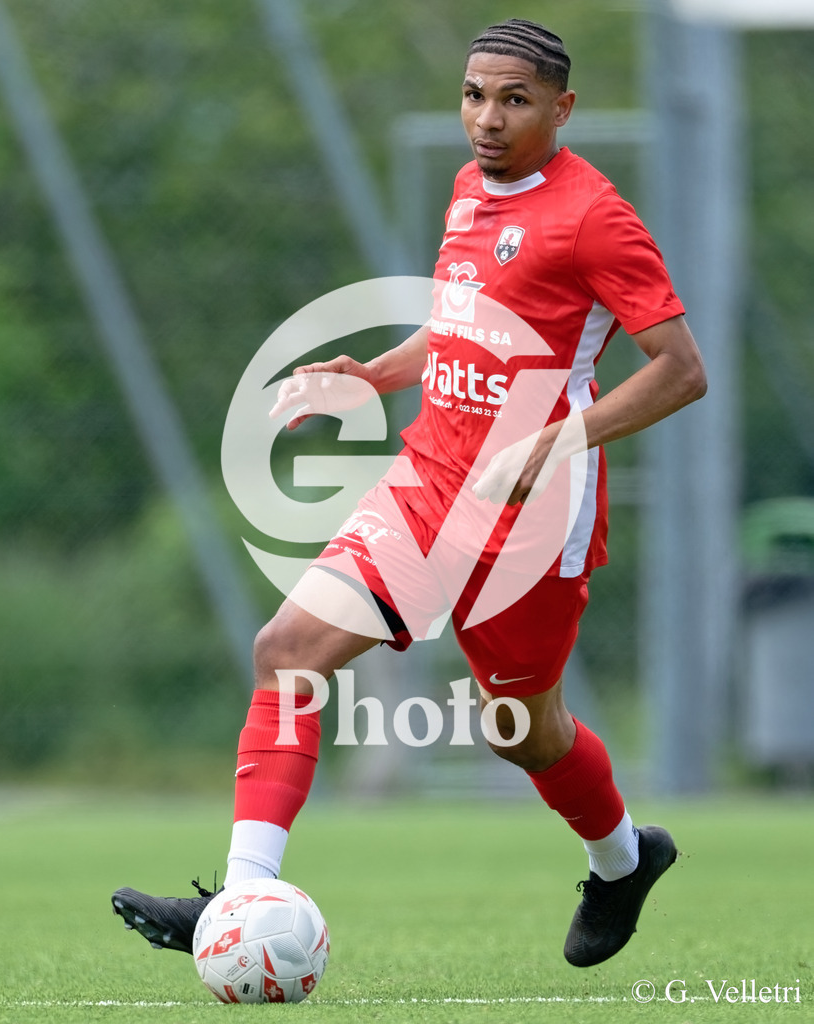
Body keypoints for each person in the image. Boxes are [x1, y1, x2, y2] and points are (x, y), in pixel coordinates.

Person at [112, 18, 706, 970]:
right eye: (475, 95)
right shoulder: (470, 189)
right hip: (427, 480)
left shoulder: (595, 216)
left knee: (521, 730)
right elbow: (458, 320)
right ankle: (243, 891)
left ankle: (623, 860)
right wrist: (374, 376)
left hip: (527, 520)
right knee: (288, 650)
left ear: (562, 107)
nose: (487, 118)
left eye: (513, 99)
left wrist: (559, 436)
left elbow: (679, 371)